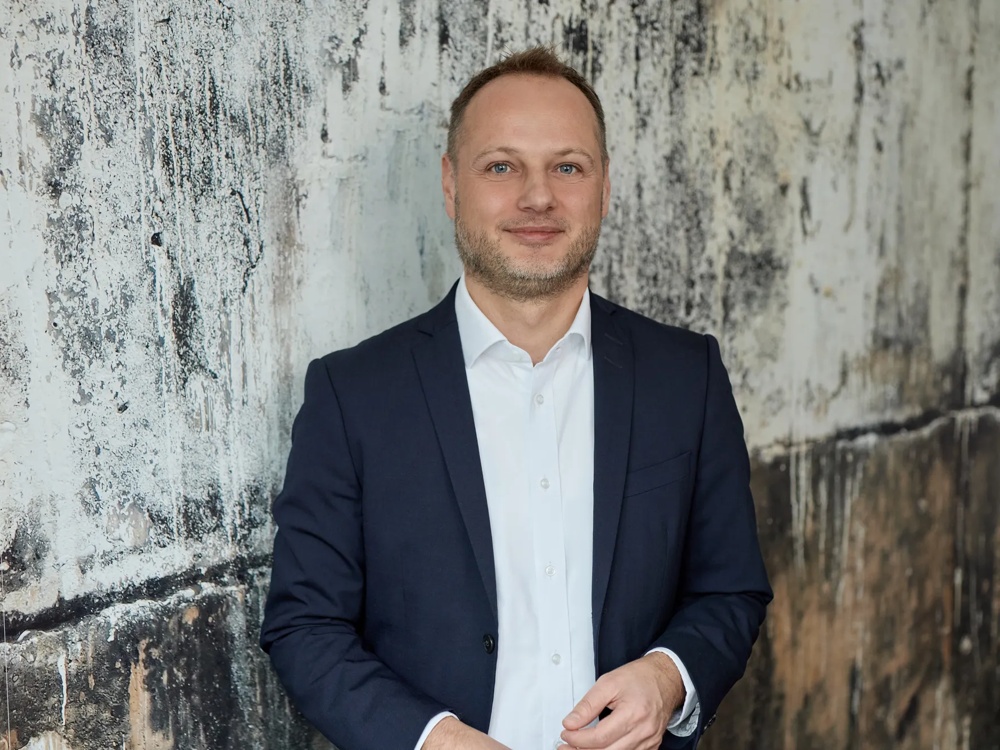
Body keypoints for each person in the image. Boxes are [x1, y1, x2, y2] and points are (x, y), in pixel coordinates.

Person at [260, 47, 771, 750]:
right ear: (450, 185)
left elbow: (730, 590)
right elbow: (304, 626)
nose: (538, 197)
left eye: (568, 166)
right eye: (501, 166)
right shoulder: (353, 396)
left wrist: (666, 677)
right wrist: (432, 739)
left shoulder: (687, 378)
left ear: (604, 185)